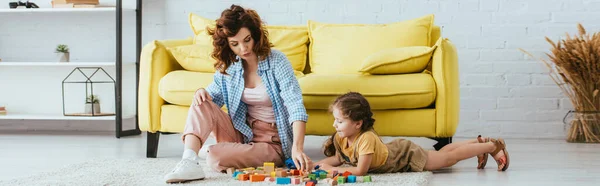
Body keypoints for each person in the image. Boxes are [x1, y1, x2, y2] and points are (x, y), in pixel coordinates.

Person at [164, 4, 311, 183]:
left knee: (214, 157)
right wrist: (202, 92)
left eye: (247, 39)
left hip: (271, 142)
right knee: (200, 100)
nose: (243, 48)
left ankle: (219, 151)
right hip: (242, 133)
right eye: (235, 44)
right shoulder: (230, 67)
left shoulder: (277, 61)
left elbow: (295, 104)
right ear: (228, 45)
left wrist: (297, 148)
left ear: (255, 35)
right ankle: (189, 161)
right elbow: (213, 98)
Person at [314, 92, 510, 175]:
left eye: (340, 121)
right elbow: (340, 159)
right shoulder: (341, 137)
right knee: (442, 154)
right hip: (394, 151)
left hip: (404, 156)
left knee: (447, 159)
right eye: (335, 119)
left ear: (358, 123)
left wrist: (329, 170)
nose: (335, 124)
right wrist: (315, 166)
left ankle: (493, 146)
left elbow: (360, 171)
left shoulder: (365, 139)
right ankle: (478, 142)